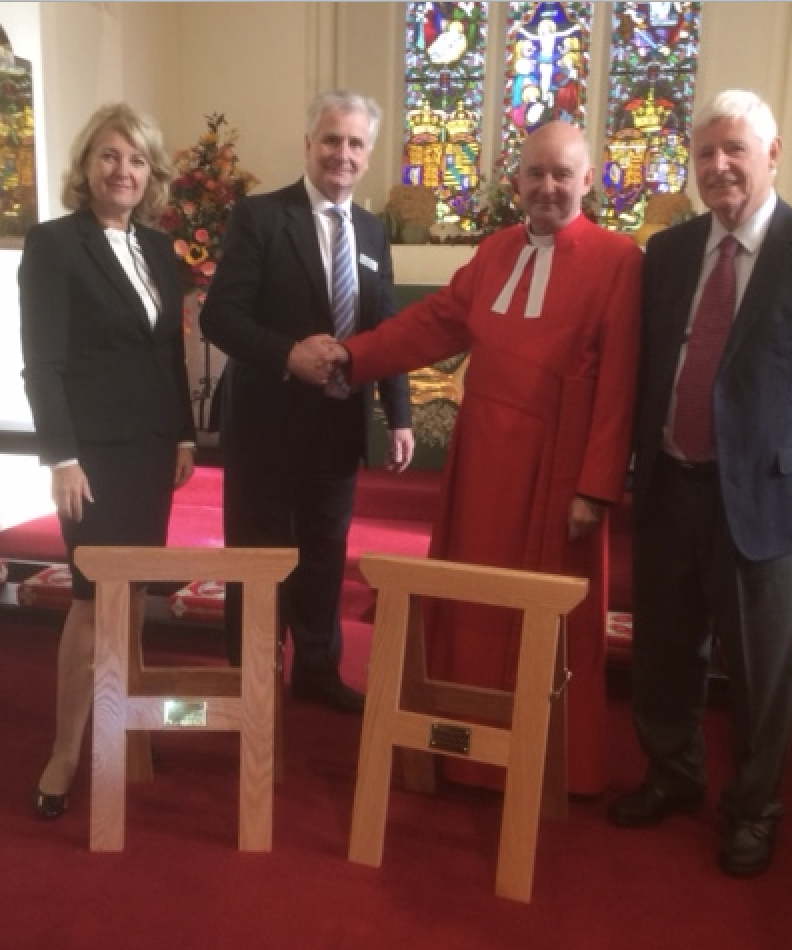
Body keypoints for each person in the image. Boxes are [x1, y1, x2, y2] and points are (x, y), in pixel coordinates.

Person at [297, 119, 642, 794]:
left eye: (562, 174)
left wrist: (595, 489)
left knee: (541, 616)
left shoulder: (620, 259)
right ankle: (460, 748)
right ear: (515, 180)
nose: (547, 187)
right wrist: (352, 353)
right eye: (535, 173)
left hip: (556, 472)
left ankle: (550, 763)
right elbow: (432, 325)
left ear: (588, 179)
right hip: (482, 460)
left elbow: (621, 385)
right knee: (469, 598)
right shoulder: (495, 252)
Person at [606, 89, 792, 876]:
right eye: (705, 154)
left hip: (763, 497)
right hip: (671, 487)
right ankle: (673, 775)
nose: (719, 166)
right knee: (665, 652)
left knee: (762, 670)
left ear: (773, 153)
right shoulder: (667, 252)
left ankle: (755, 808)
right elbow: (652, 361)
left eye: (735, 150)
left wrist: (782, 457)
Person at [199, 90, 414, 715]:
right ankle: (250, 678)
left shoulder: (372, 230)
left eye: (354, 143)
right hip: (267, 421)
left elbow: (387, 327)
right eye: (330, 140)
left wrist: (397, 414)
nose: (340, 154)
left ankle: (317, 669)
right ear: (309, 145)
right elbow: (221, 316)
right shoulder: (262, 217)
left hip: (339, 424)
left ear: (368, 154)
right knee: (258, 555)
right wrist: (287, 353)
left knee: (324, 552)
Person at [19, 102, 197, 819]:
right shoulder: (55, 243)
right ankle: (66, 751)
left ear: (150, 174)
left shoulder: (159, 249)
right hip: (91, 456)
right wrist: (61, 455)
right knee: (94, 600)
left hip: (152, 449)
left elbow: (167, 354)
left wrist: (184, 435)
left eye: (136, 159)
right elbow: (43, 363)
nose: (122, 170)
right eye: (109, 156)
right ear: (87, 166)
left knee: (139, 594)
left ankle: (125, 734)